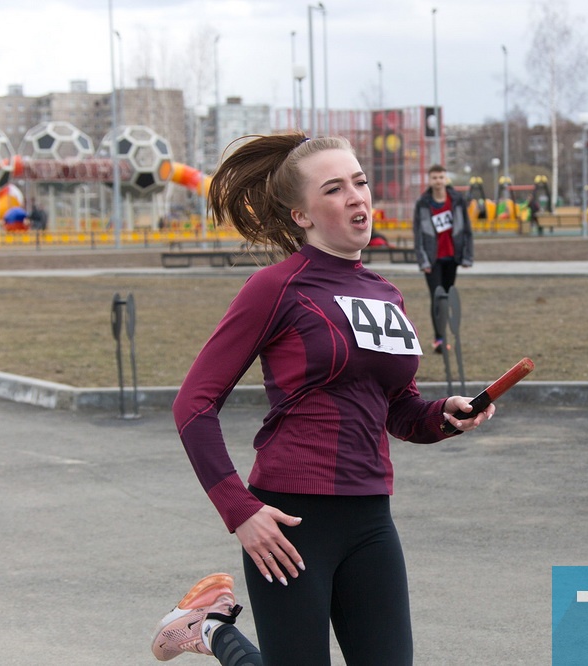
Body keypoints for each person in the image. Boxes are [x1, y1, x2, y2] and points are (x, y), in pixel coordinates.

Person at [151, 132, 496, 663]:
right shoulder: (276, 288)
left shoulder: (386, 293)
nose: (357, 196)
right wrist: (239, 510)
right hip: (289, 522)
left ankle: (208, 628)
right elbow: (193, 405)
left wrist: (442, 416)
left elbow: (397, 408)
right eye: (334, 189)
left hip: (371, 518)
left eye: (359, 182)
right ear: (301, 216)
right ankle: (214, 632)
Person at [413, 164, 474, 353]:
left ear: (445, 179)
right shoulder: (423, 203)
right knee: (437, 298)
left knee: (446, 297)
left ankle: (443, 335)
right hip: (433, 259)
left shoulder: (457, 200)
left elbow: (466, 230)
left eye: (441, 177)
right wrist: (423, 261)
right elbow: (418, 235)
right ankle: (439, 338)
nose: (438, 181)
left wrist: (467, 256)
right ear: (429, 180)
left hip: (452, 257)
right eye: (434, 178)